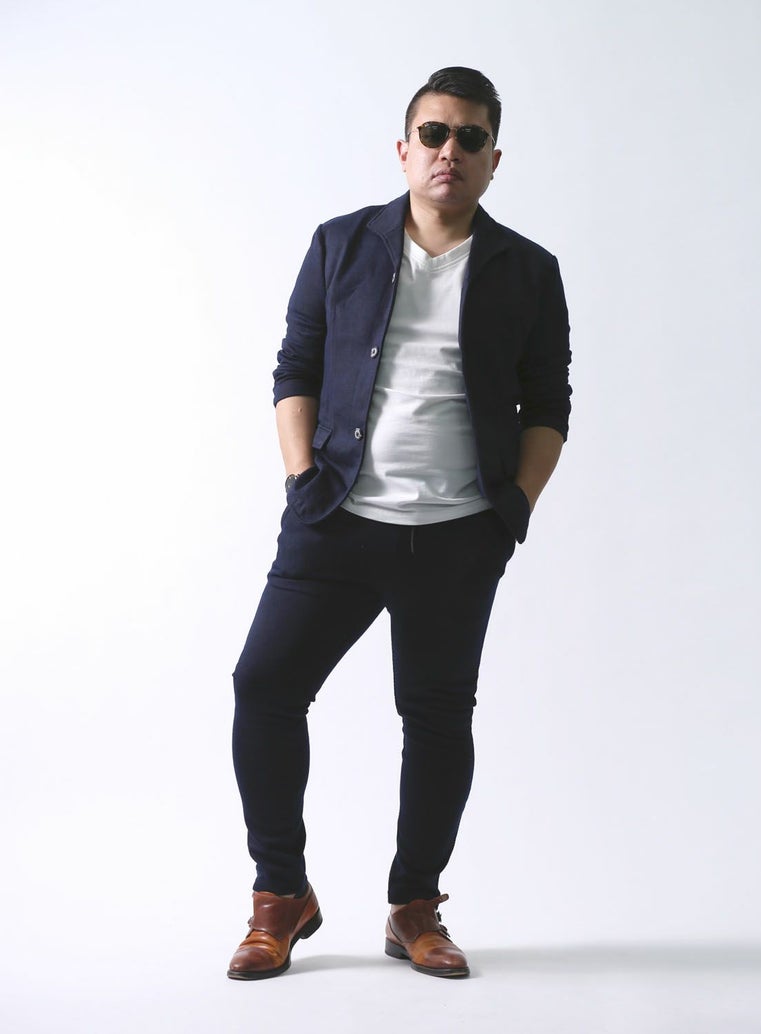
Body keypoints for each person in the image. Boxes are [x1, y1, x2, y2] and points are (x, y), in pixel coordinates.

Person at [228, 66, 572, 981]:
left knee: (437, 719)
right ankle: (280, 895)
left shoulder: (528, 270)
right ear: (405, 148)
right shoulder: (340, 244)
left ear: (493, 159)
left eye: (470, 137)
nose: (449, 150)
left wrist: (513, 510)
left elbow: (550, 402)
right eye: (434, 133)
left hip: (459, 534)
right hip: (336, 522)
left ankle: (415, 906)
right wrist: (302, 479)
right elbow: (295, 366)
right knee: (264, 687)